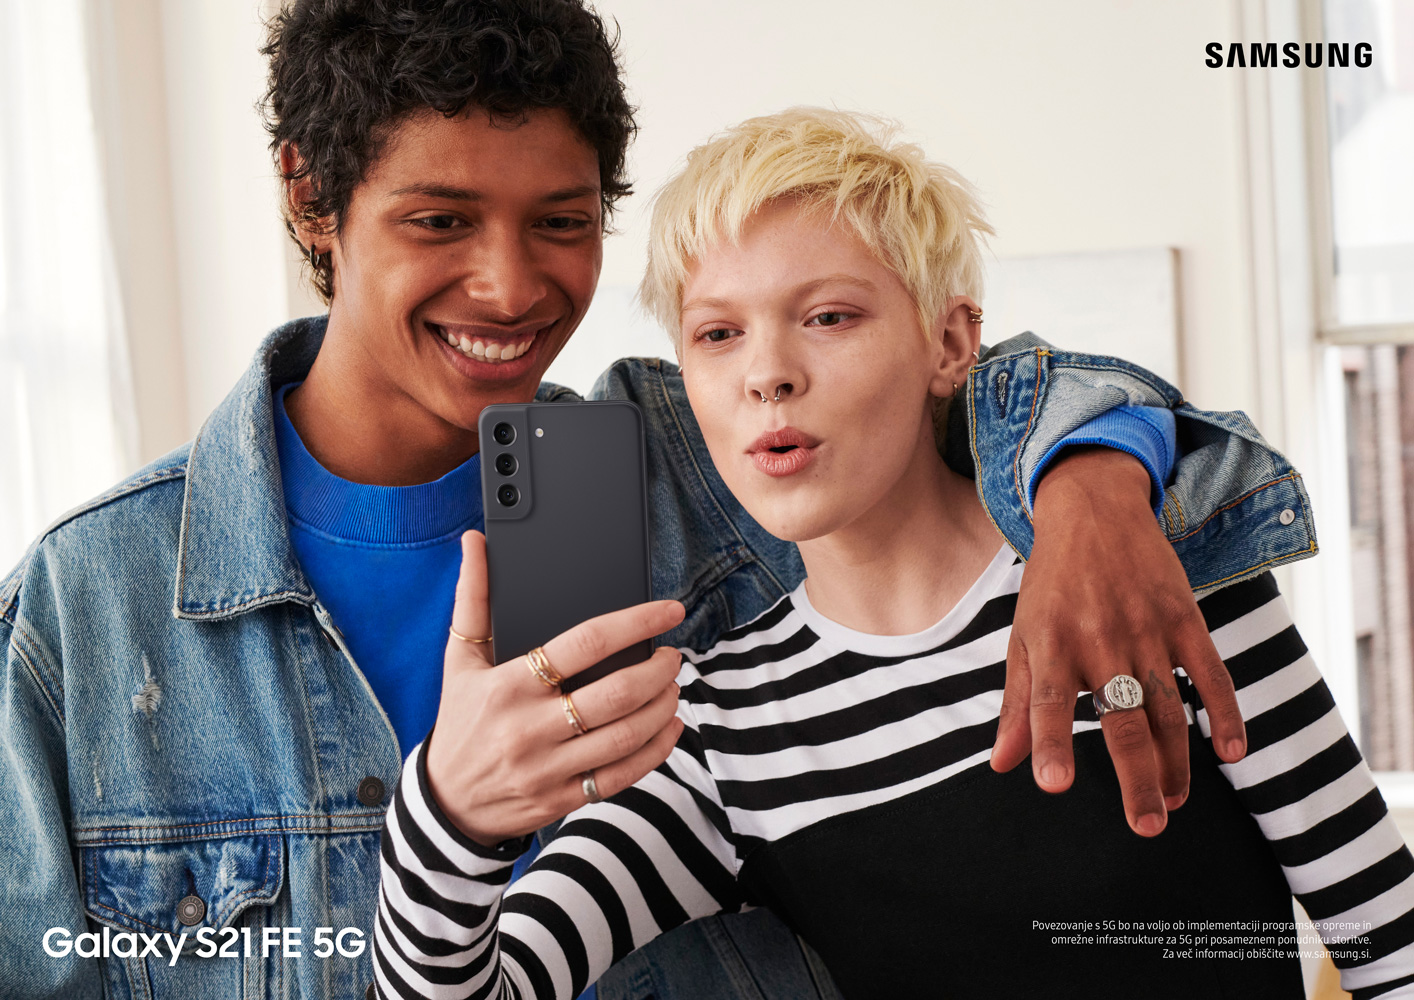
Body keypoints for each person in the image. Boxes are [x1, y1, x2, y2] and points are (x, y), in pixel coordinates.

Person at [0, 3, 1312, 998]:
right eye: (440, 221)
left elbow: (983, 382)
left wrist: (1093, 479)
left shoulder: (711, 454)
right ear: (311, 196)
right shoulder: (87, 607)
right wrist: (448, 810)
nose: (511, 287)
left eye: (561, 221)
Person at [374, 108, 1414, 1000]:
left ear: (950, 343)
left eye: (828, 316)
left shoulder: (1143, 583)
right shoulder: (718, 731)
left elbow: (1389, 943)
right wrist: (448, 812)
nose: (768, 375)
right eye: (718, 334)